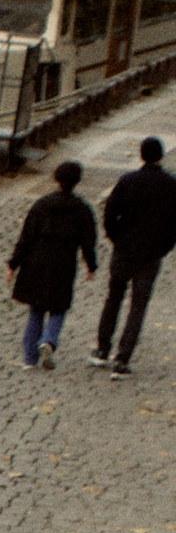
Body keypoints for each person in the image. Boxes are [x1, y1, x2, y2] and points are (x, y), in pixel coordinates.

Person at [94, 136, 176, 373]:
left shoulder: (128, 181)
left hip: (124, 250)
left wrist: (116, 238)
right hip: (151, 254)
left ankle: (102, 347)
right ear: (161, 156)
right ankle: (123, 357)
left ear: (141, 155)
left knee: (113, 298)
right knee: (138, 306)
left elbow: (109, 214)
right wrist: (164, 247)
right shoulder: (171, 186)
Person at [8, 159, 97, 367]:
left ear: (56, 179)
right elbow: (88, 241)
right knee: (58, 308)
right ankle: (49, 340)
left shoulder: (41, 205)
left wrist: (13, 264)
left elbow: (26, 237)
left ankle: (30, 359)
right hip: (63, 263)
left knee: (36, 310)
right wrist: (91, 266)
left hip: (36, 261)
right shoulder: (82, 210)